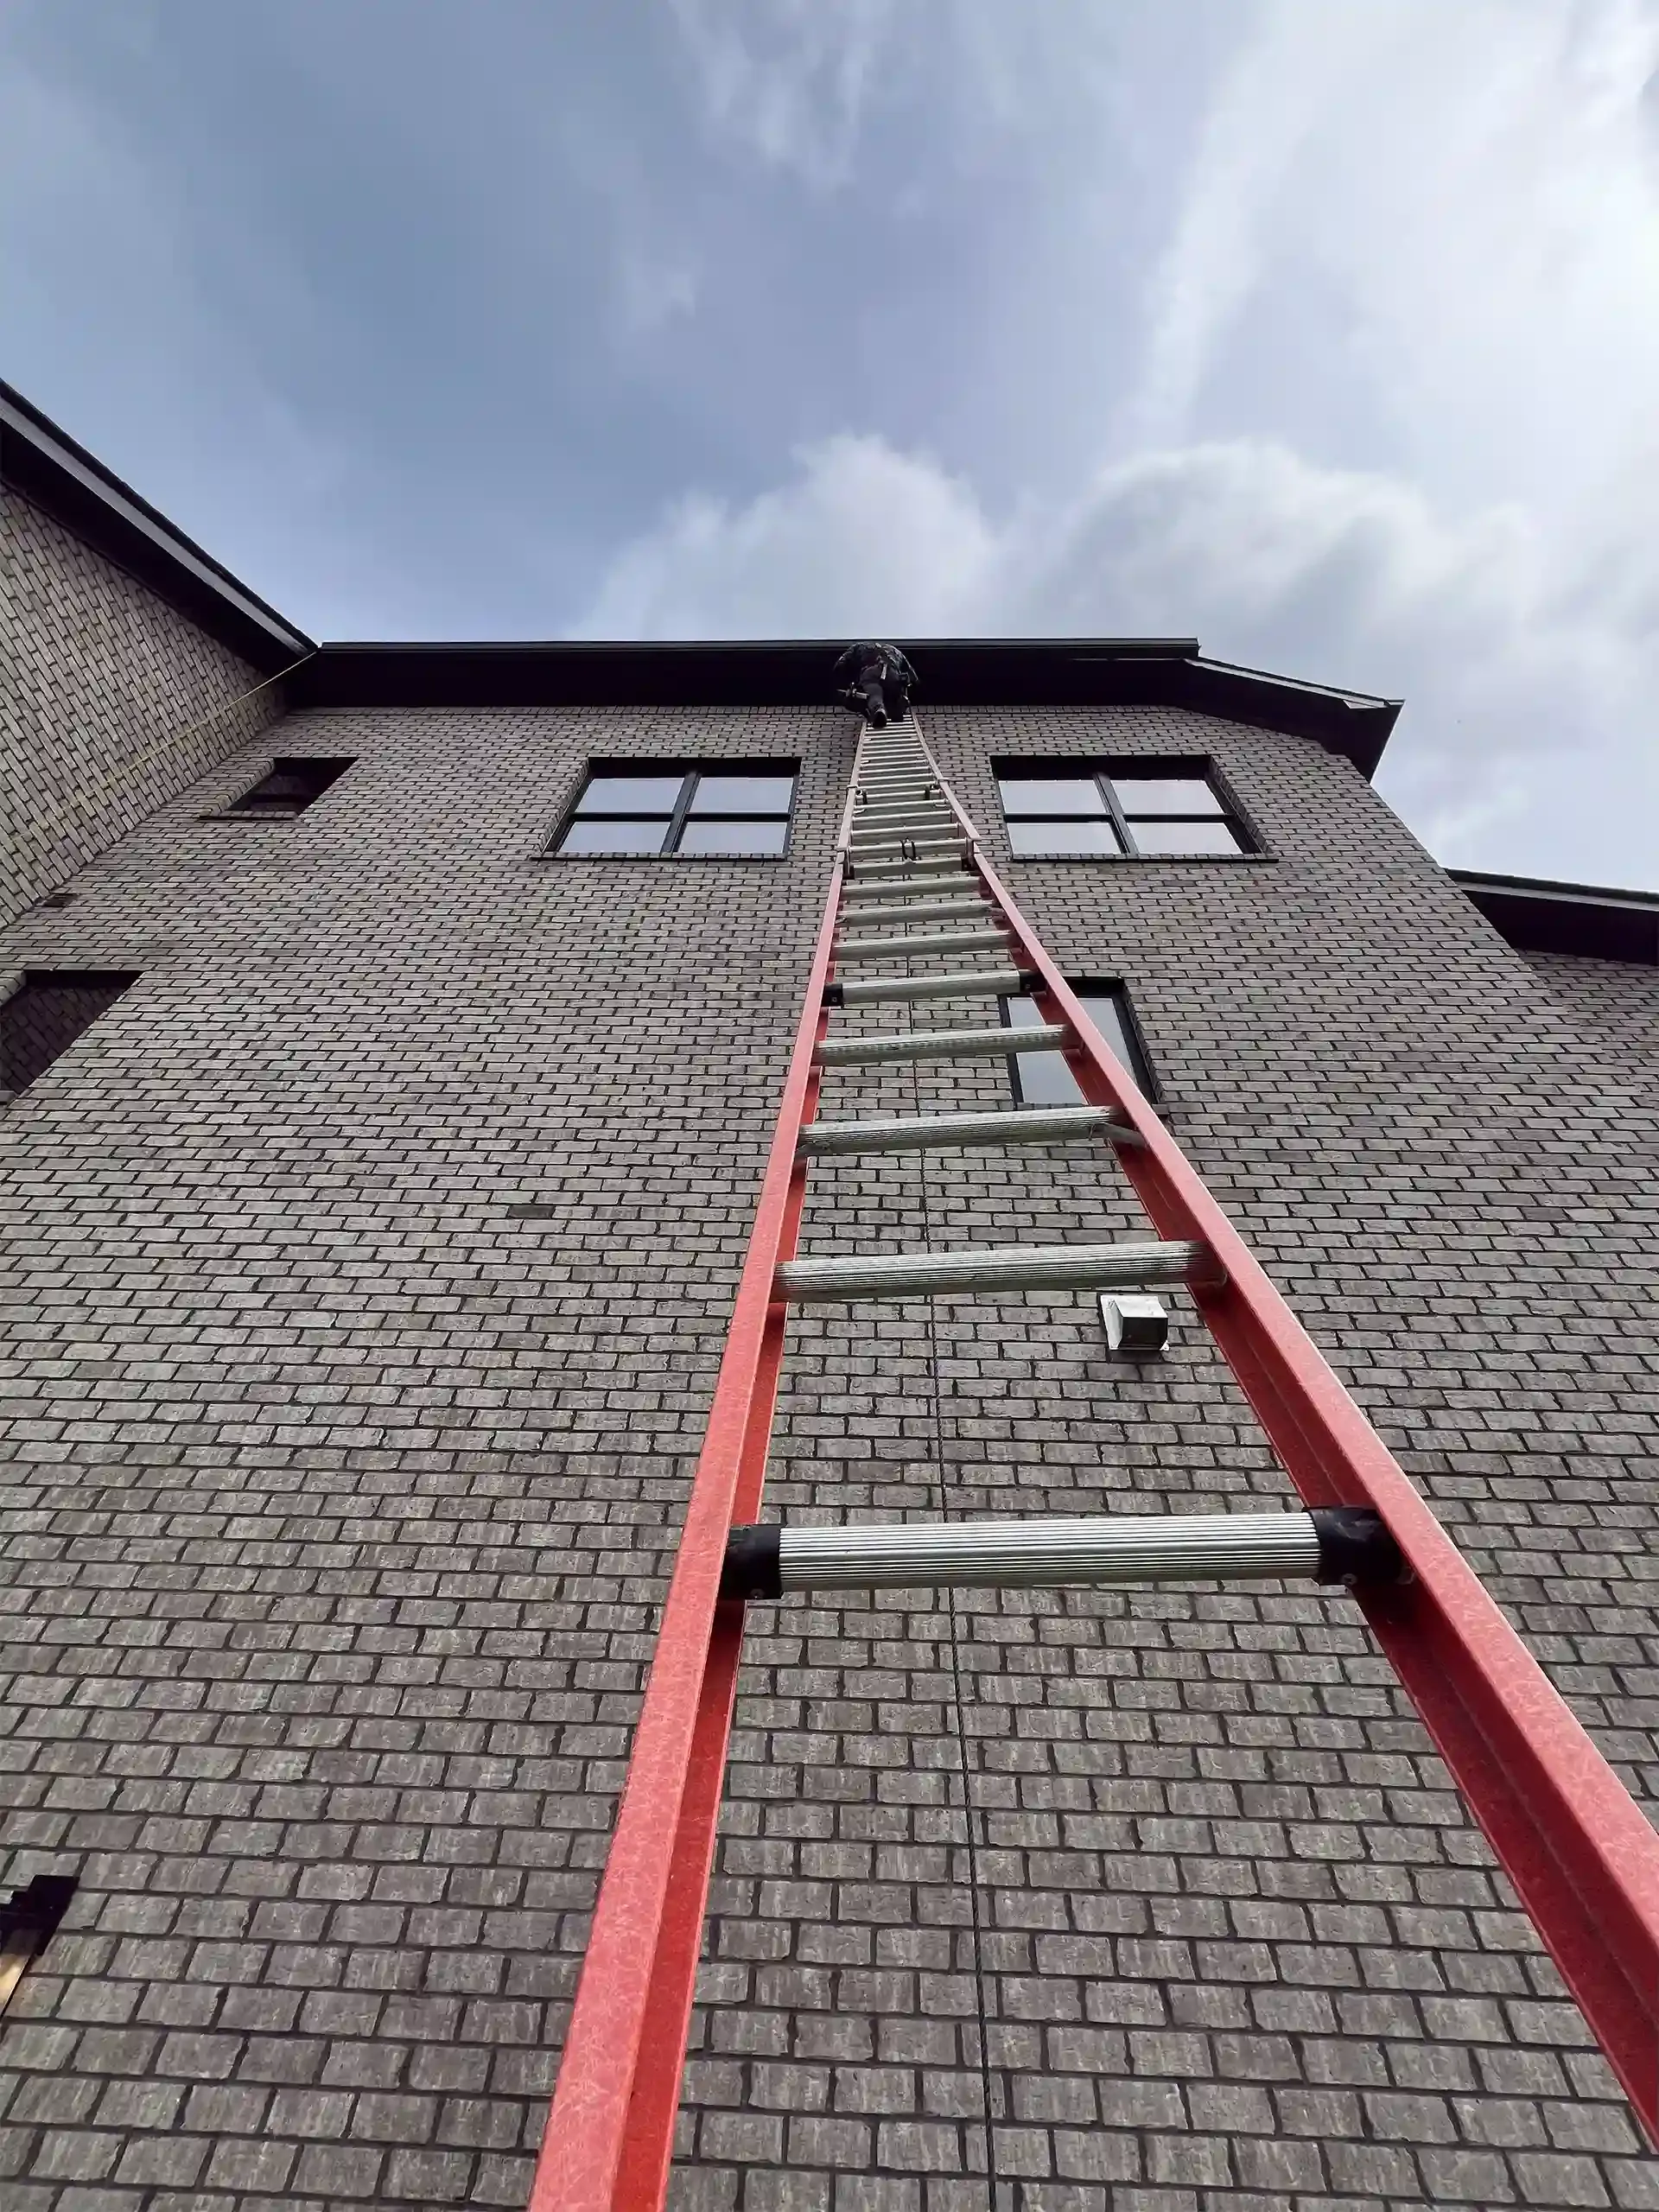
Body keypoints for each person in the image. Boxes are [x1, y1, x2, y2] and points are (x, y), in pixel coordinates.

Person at [834, 641, 917, 728]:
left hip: (871, 672)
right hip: (892, 672)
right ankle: (897, 706)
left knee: (873, 693)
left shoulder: (856, 647)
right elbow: (912, 675)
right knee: (895, 692)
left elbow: (840, 663)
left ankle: (879, 709)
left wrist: (845, 683)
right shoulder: (896, 650)